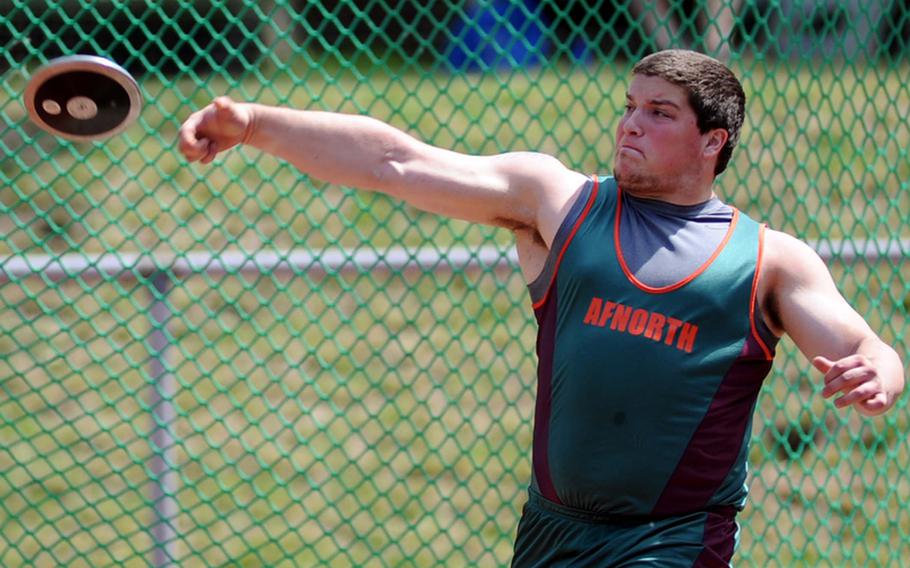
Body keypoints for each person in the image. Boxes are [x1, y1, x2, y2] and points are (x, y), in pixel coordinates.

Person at [178, 49, 904, 567]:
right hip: (552, 532)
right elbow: (393, 161)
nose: (630, 125)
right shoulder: (558, 202)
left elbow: (862, 343)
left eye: (658, 114)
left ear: (713, 141)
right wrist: (253, 124)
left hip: (676, 538)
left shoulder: (770, 259)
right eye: (628, 107)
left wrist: (880, 370)